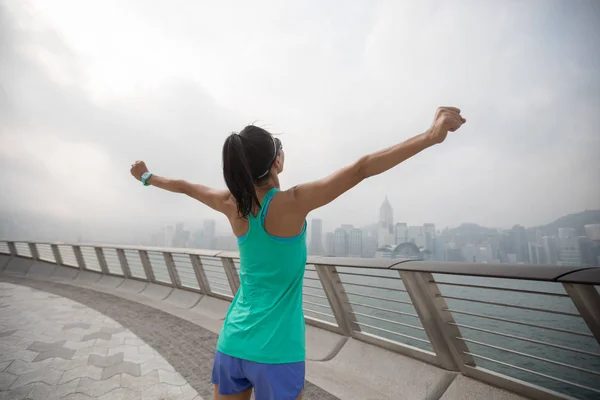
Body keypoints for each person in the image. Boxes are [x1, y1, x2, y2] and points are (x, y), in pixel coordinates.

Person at [130, 107, 466, 400]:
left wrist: (146, 177)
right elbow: (361, 168)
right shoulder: (292, 203)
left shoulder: (231, 204)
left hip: (233, 343)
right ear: (277, 161)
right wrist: (430, 136)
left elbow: (187, 187)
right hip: (278, 351)